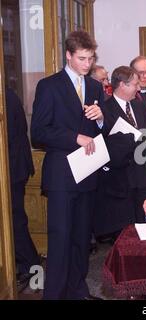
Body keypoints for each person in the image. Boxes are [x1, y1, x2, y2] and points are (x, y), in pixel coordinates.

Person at [31, 30, 104, 300]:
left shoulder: (96, 87)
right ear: (68, 56)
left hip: (88, 172)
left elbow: (100, 131)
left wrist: (100, 120)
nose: (88, 64)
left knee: (82, 238)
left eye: (91, 58)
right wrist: (74, 137)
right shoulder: (49, 86)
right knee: (60, 239)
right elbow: (38, 132)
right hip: (62, 175)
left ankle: (77, 290)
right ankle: (55, 294)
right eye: (82, 59)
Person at [94, 66, 146, 237]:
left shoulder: (139, 105)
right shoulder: (104, 109)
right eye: (135, 84)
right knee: (125, 232)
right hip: (120, 179)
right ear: (122, 85)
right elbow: (103, 141)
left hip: (144, 176)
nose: (138, 88)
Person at [5, 88, 40, 288]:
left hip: (13, 169)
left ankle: (31, 266)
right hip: (13, 167)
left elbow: (7, 138)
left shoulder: (6, 97)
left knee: (15, 220)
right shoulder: (8, 94)